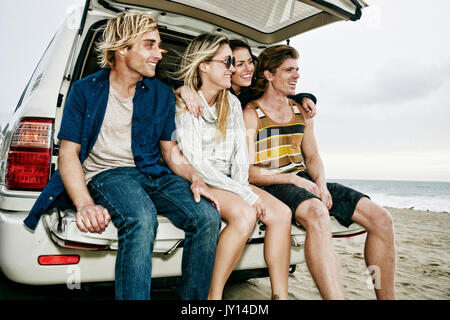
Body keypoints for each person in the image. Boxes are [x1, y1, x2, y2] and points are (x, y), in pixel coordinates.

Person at [24, 13, 222, 300]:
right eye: (150, 45)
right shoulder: (84, 91)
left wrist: (195, 179)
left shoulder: (161, 93)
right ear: (122, 48)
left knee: (207, 215)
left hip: (153, 173)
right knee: (142, 218)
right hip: (107, 175)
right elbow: (69, 154)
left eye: (159, 46)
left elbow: (170, 151)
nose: (158, 54)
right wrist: (85, 205)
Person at [242, 45, 396, 300]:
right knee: (317, 212)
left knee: (382, 218)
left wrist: (321, 184)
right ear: (269, 75)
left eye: (297, 70)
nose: (296, 76)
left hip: (303, 180)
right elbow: (249, 172)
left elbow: (312, 157)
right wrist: (292, 179)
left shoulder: (301, 111)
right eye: (289, 70)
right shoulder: (251, 113)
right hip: (271, 183)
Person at [174, 33, 292, 300]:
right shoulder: (185, 103)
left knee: (282, 214)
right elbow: (196, 163)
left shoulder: (233, 103)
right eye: (227, 62)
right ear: (204, 65)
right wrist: (244, 194)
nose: (233, 68)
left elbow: (240, 158)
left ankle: (280, 296)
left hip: (230, 181)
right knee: (245, 215)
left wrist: (243, 188)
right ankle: (213, 297)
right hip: (200, 179)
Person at [177, 39, 317, 120]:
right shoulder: (211, 91)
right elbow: (172, 84)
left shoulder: (253, 90)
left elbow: (276, 96)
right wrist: (182, 89)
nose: (248, 69)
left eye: (250, 62)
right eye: (240, 64)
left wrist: (305, 98)